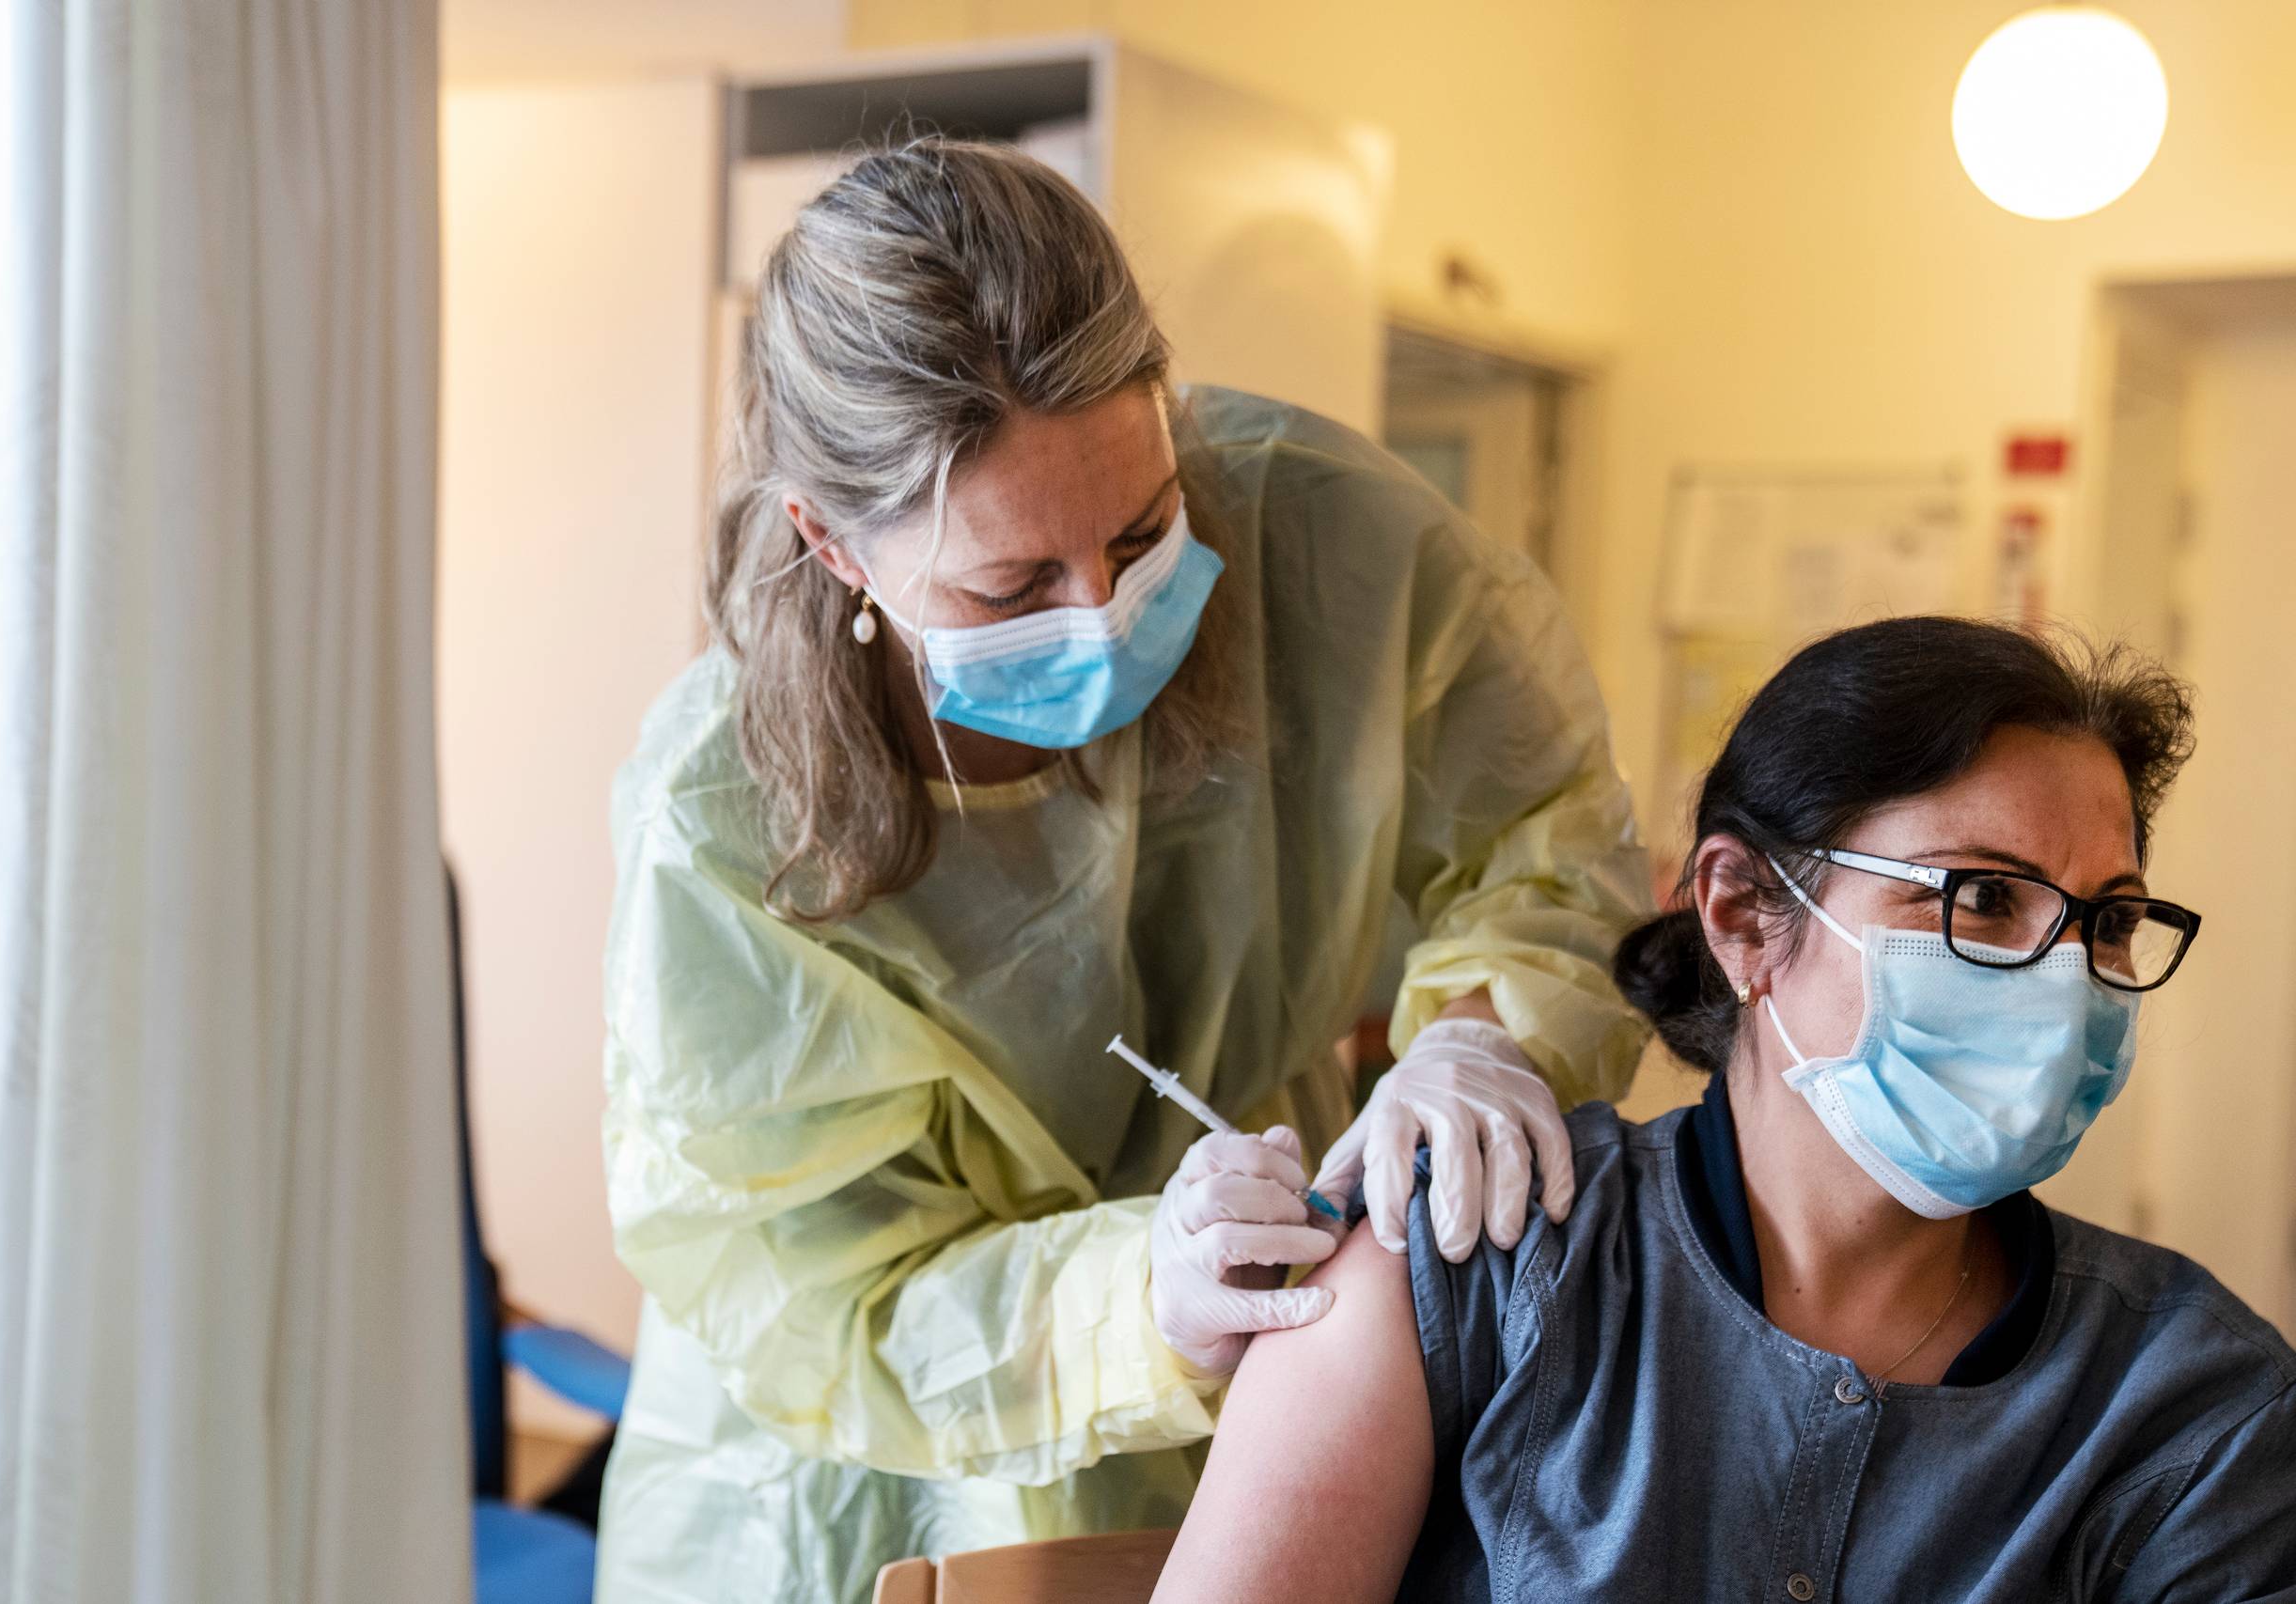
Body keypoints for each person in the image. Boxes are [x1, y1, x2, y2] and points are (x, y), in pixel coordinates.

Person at [594, 138, 1654, 1603]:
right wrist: (1131, 1302)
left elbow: (1549, 835)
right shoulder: (720, 822)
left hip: (1283, 1380)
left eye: (1145, 530)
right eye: (1012, 585)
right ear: (828, 543)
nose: (1103, 614)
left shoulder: (1323, 535)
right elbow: (836, 1306)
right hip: (861, 1468)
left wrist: (1482, 1034)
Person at [1156, 616, 2296, 1603]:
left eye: (2105, 923)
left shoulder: (2192, 1401)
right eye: (1980, 897)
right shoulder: (1465, 1255)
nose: (2058, 979)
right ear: (1745, 913)